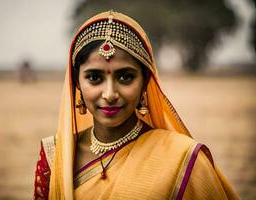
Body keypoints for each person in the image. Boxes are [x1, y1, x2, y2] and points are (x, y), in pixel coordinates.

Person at [34, 10, 240, 200]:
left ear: (145, 83)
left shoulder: (182, 158)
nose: (110, 94)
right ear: (77, 83)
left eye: (125, 77)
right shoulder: (56, 156)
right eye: (94, 77)